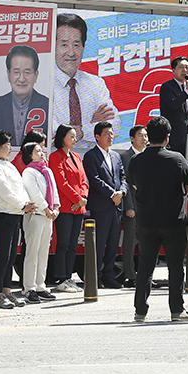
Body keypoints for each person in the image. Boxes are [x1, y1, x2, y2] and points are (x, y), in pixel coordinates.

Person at [127, 116, 188, 322]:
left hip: (146, 220)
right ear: (167, 137)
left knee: (145, 267)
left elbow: (134, 185)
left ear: (149, 137)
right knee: (175, 266)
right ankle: (177, 310)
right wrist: (180, 196)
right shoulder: (177, 159)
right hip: (172, 220)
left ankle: (140, 311)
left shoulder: (136, 160)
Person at [52, 12, 119, 153]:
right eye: (64, 45)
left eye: (76, 45)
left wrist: (82, 131)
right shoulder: (42, 83)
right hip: (56, 160)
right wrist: (92, 126)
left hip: (92, 161)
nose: (71, 52)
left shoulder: (95, 83)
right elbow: (53, 134)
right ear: (53, 46)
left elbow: (114, 127)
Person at [0, 129, 36, 310]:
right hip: (1, 214)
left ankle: (7, 291)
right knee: (2, 256)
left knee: (11, 255)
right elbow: (4, 191)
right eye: (6, 145)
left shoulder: (9, 165)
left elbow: (19, 188)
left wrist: (26, 203)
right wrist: (23, 205)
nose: (9, 148)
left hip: (15, 214)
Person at [83, 120, 127, 289]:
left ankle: (109, 274)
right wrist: (112, 194)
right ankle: (95, 276)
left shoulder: (116, 156)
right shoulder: (91, 155)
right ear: (97, 137)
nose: (111, 136)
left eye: (111, 133)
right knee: (99, 243)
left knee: (113, 243)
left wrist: (121, 193)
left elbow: (123, 177)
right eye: (106, 134)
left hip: (116, 206)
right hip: (101, 206)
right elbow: (94, 179)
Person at [49, 124, 88, 294]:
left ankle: (69, 277)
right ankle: (61, 277)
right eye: (71, 136)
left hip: (78, 207)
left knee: (73, 244)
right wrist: (78, 199)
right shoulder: (55, 156)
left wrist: (82, 199)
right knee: (63, 243)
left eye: (75, 136)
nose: (74, 139)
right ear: (62, 137)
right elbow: (61, 182)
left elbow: (84, 180)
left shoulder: (77, 156)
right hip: (66, 205)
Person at [19, 141, 59, 303]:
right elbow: (34, 193)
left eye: (42, 150)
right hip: (36, 216)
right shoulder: (29, 172)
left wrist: (55, 208)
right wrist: (46, 209)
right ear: (30, 155)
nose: (42, 153)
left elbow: (54, 191)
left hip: (48, 216)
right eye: (37, 151)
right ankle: (29, 288)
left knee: (43, 252)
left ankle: (40, 285)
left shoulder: (47, 170)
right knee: (32, 252)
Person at [0, 45, 51, 146]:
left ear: (36, 75)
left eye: (27, 72)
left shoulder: (48, 105)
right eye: (16, 72)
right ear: (8, 74)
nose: (21, 79)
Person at [116, 124, 147, 289]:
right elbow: (126, 183)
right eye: (140, 135)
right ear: (132, 139)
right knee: (130, 242)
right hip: (133, 207)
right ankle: (129, 275)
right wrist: (129, 207)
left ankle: (144, 275)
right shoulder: (125, 157)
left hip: (148, 208)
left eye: (146, 135)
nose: (144, 139)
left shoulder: (149, 156)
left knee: (147, 244)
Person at [158, 56, 188, 155]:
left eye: (187, 67)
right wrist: (186, 91)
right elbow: (173, 104)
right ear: (173, 70)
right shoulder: (167, 87)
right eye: (181, 67)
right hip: (172, 136)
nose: (185, 70)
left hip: (186, 137)